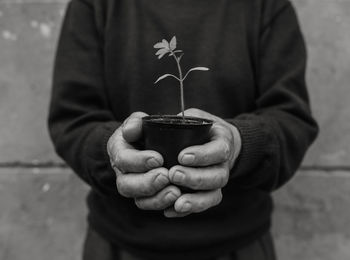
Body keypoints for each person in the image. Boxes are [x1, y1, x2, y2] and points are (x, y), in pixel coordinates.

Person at [48, 0, 319, 259]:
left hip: (239, 244)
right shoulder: (94, 5)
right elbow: (73, 119)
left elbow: (291, 118)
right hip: (119, 245)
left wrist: (239, 144)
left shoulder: (267, 5)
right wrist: (112, 152)